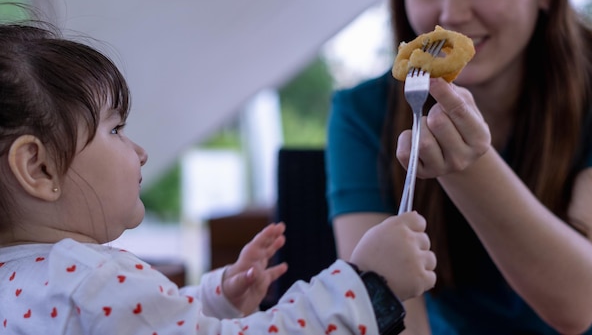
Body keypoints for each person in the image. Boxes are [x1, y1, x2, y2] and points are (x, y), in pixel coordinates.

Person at [0, 18, 437, 334]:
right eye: (115, 129)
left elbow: (142, 324)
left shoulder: (26, 286)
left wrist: (216, 301)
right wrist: (364, 282)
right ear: (39, 168)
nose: (140, 151)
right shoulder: (88, 279)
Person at [326, 0, 592, 334]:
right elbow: (390, 317)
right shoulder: (362, 111)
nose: (452, 12)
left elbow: (579, 302)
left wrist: (468, 166)